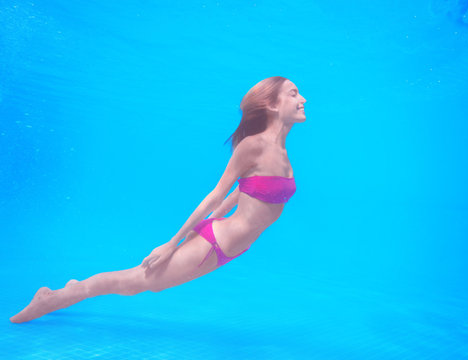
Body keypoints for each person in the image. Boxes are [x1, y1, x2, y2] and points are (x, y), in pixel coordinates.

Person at [10, 76, 307, 323]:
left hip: (232, 246)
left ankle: (73, 288)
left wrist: (215, 217)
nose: (302, 99)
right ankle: (54, 298)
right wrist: (172, 243)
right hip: (216, 243)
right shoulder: (252, 146)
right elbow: (215, 194)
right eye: (293, 93)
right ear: (271, 103)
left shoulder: (282, 152)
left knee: (146, 285)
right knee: (136, 283)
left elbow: (245, 190)